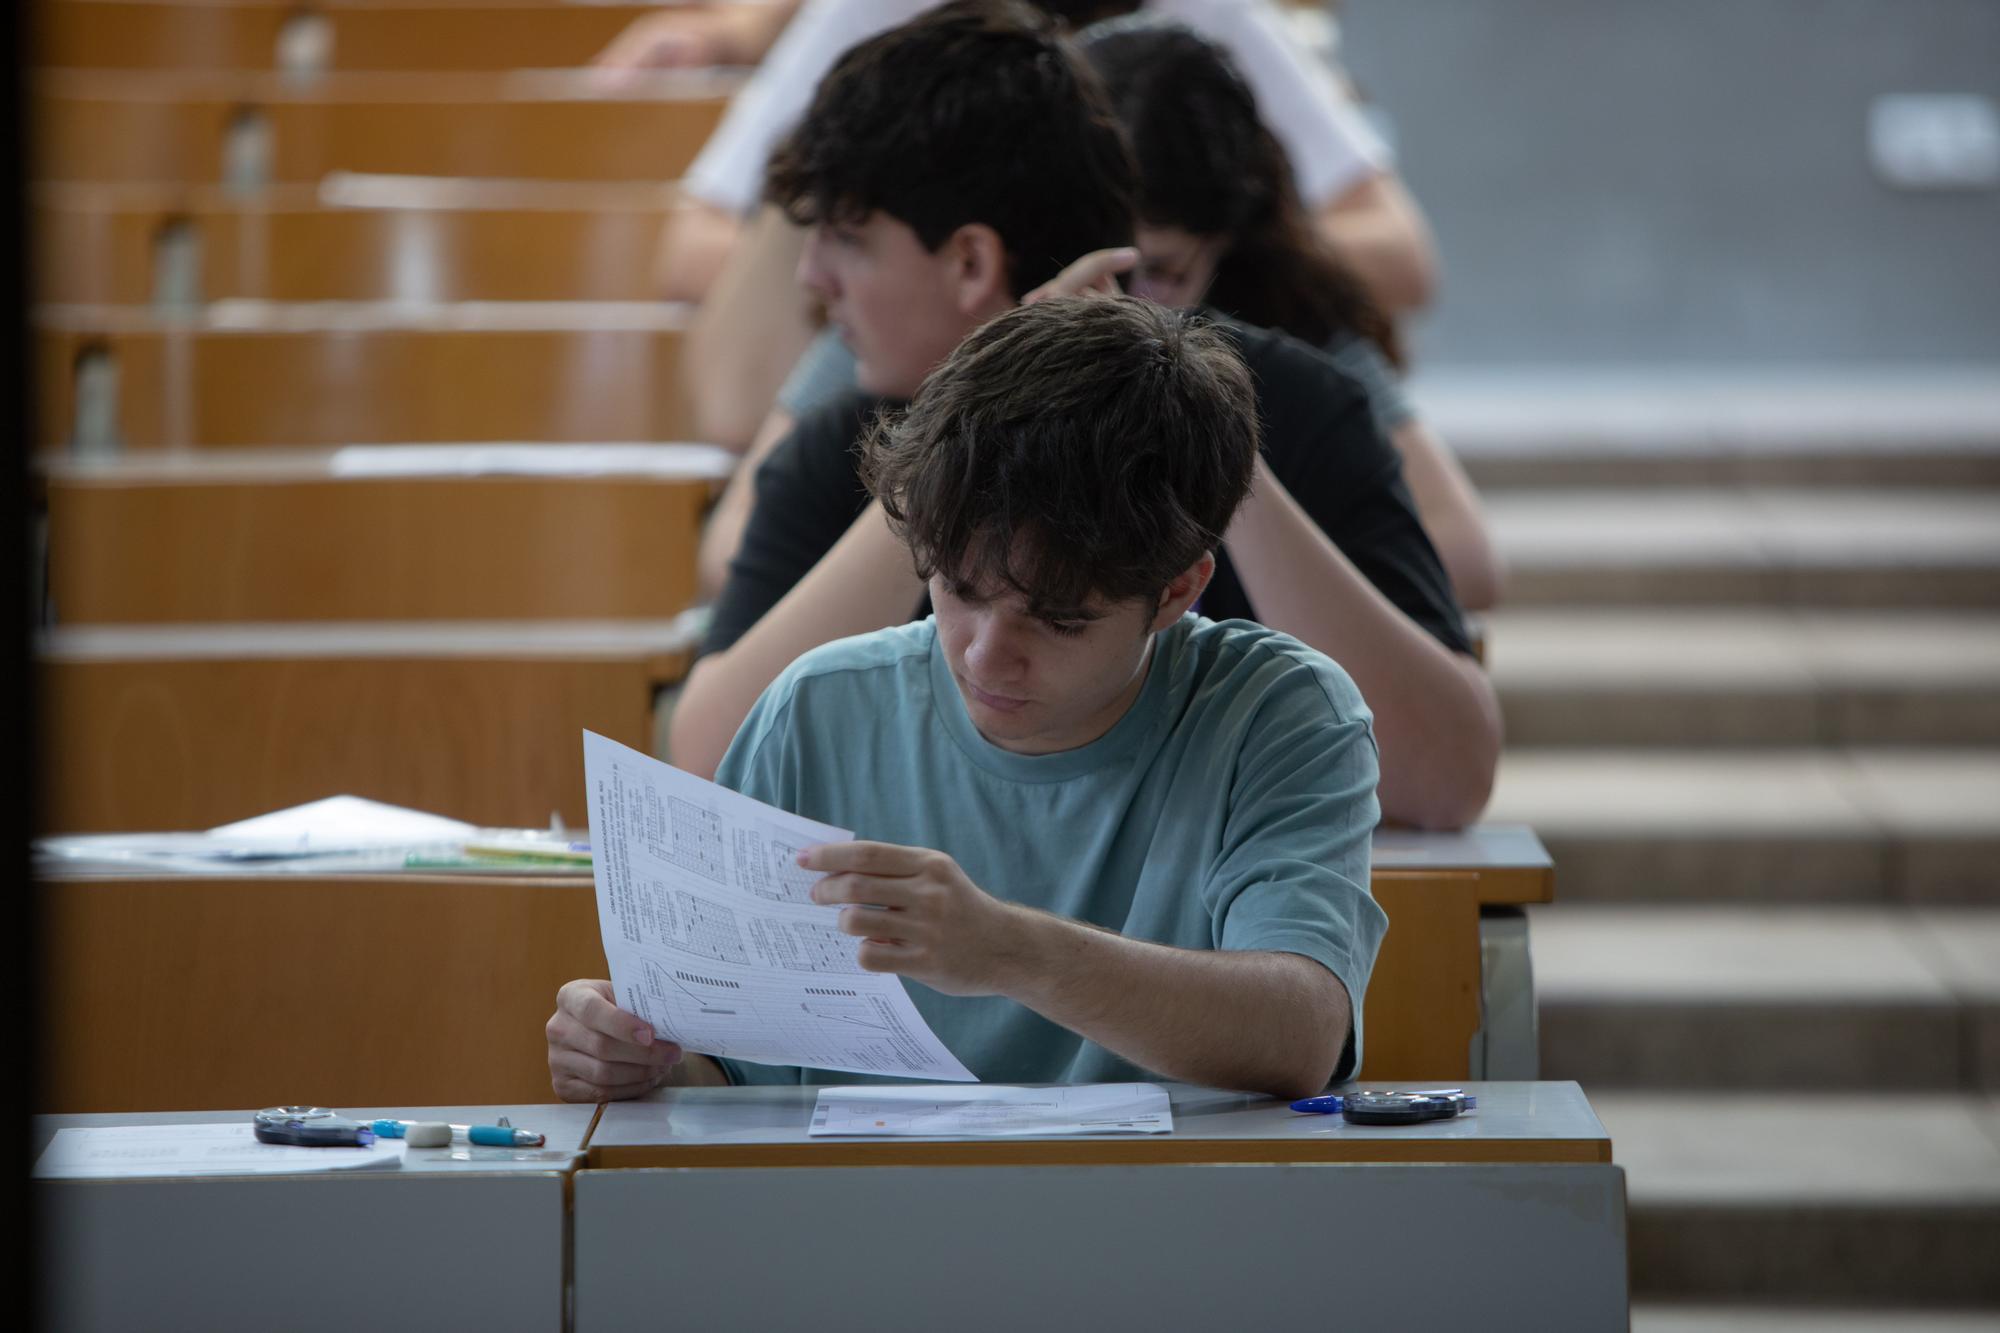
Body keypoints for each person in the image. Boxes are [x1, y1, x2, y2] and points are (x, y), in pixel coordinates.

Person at [673, 0, 1499, 831]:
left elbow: (1448, 780)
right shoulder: (853, 434)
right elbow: (712, 762)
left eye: (850, 239)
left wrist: (1203, 427)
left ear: (971, 261)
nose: (813, 278)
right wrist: (965, 429)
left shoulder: (1294, 405)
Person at [547, 295, 1386, 1101]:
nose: (986, 655)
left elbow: (1303, 1031)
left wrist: (1008, 950)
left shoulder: (1281, 714)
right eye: (956, 588)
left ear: (1177, 592)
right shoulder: (816, 710)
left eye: (1056, 621)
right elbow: (731, 1073)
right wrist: (639, 1059)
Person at [616, 0, 1436, 446]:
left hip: (1169, 412)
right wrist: (899, 256)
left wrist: (1165, 255)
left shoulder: (1210, 23)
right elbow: (693, 249)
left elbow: (1401, 255)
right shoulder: (880, 20)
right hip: (927, 406)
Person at [1079, 18, 1503, 609]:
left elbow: (1465, 558)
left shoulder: (1292, 331)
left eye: (1160, 274)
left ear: (1227, 239)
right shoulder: (988, 322)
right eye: (1090, 264)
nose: (1117, 304)